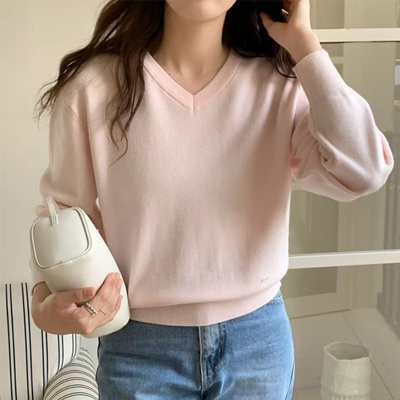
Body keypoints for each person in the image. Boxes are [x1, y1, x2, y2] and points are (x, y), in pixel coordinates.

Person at [30, 0, 394, 399]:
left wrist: (305, 47)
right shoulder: (92, 88)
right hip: (138, 351)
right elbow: (61, 222)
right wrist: (45, 305)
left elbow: (365, 170)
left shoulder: (280, 84)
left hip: (258, 346)